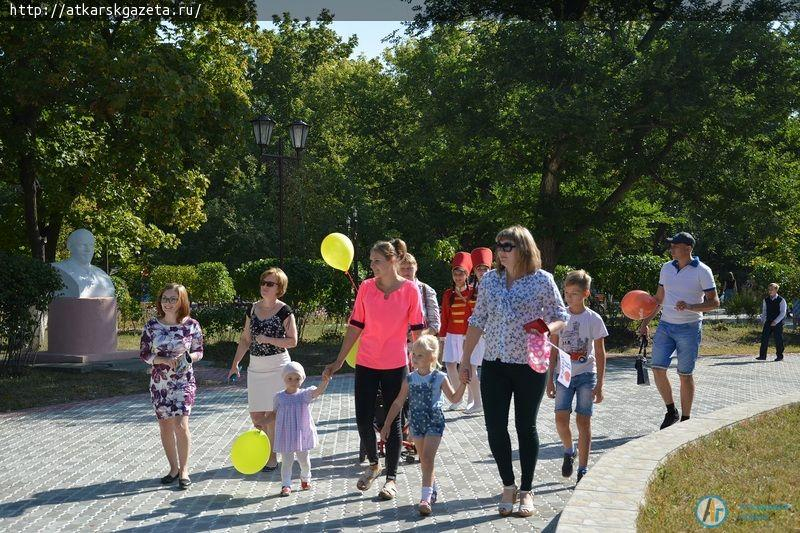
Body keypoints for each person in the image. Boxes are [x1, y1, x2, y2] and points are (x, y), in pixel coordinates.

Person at [459, 225, 568, 518]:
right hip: (494, 363)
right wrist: (466, 358)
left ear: (523, 249)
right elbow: (477, 319)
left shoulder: (542, 280)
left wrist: (547, 329)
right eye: (499, 245)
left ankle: (527, 490)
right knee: (494, 427)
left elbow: (561, 316)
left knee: (525, 426)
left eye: (507, 246)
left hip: (529, 365)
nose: (501, 251)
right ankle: (508, 485)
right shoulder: (490, 281)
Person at [322, 238, 424, 501]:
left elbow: (417, 332)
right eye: (370, 261)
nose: (372, 265)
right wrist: (338, 361)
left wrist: (421, 364)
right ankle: (373, 464)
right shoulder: (366, 288)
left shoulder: (410, 290)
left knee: (394, 421)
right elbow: (355, 326)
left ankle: (391, 478)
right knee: (362, 419)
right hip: (366, 362)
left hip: (396, 364)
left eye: (376, 261)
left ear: (393, 261)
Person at [638, 232, 719, 429]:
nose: (671, 249)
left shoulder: (702, 271)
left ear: (688, 248)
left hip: (690, 328)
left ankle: (686, 420)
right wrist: (645, 322)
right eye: (671, 246)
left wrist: (691, 306)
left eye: (675, 246)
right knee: (657, 368)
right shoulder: (666, 268)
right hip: (666, 326)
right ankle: (671, 411)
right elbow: (659, 299)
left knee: (684, 374)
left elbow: (714, 302)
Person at [380, 334, 466, 516]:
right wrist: (387, 424)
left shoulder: (440, 377)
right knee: (424, 461)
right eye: (413, 354)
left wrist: (464, 384)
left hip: (434, 421)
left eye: (420, 355)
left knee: (427, 458)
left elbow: (455, 398)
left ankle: (425, 498)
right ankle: (432, 489)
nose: (414, 358)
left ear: (432, 358)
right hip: (416, 423)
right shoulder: (410, 379)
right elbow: (398, 402)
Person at [228, 268, 298, 471]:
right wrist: (235, 364)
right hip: (256, 367)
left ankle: (271, 457)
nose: (264, 286)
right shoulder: (252, 309)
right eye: (263, 282)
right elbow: (244, 339)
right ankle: (267, 451)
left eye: (270, 284)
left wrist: (268, 339)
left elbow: (293, 341)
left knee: (272, 413)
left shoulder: (285, 311)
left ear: (279, 288)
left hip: (278, 366)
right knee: (257, 416)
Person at [139, 283, 204, 490]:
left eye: (173, 299)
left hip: (184, 381)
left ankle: (184, 471)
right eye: (165, 298)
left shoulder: (191, 324)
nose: (168, 303)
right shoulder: (152, 325)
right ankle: (173, 469)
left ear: (182, 301)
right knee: (166, 426)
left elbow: (199, 351)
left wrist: (188, 357)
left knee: (181, 425)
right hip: (160, 384)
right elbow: (144, 354)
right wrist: (160, 360)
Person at [546, 270, 608, 484]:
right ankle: (568, 450)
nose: (569, 297)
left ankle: (582, 468)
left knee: (583, 422)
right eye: (566, 293)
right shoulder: (560, 317)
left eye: (574, 293)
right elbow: (553, 349)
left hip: (586, 375)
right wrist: (549, 379)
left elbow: (600, 353)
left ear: (585, 294)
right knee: (561, 419)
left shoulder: (593, 319)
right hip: (563, 376)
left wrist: (599, 384)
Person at [264, 361, 330, 496]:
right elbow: (273, 414)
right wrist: (261, 422)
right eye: (290, 378)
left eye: (297, 378)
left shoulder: (304, 395)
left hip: (301, 434)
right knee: (286, 462)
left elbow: (318, 391)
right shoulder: (279, 397)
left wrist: (325, 381)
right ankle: (286, 485)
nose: (293, 381)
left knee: (304, 460)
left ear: (302, 379)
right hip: (286, 435)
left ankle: (305, 478)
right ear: (284, 379)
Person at [438, 252, 474, 411]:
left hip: (468, 334)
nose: (458, 277)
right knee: (450, 365)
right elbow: (444, 315)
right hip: (452, 334)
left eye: (461, 274)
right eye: (455, 274)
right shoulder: (448, 294)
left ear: (467, 275)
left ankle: (473, 399)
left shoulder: (473, 292)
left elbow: (474, 314)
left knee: (468, 367)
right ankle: (457, 396)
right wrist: (442, 336)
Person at [463, 247, 493, 415]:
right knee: (472, 366)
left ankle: (486, 400)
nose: (482, 271)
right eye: (478, 268)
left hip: (492, 334)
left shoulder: (497, 283)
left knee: (489, 369)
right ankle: (477, 401)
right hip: (476, 332)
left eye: (485, 268)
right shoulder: (472, 289)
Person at [51, 228, 116, 298]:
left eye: (91, 245)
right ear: (69, 246)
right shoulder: (57, 270)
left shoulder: (102, 275)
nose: (88, 250)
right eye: (83, 245)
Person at [399, 253, 441, 335]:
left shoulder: (427, 290)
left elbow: (435, 325)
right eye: (402, 268)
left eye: (409, 268)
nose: (406, 272)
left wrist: (418, 335)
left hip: (420, 345)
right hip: (396, 344)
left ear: (416, 268)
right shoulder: (392, 291)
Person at [756, 283, 786, 362]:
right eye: (769, 289)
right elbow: (764, 311)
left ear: (776, 290)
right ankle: (762, 356)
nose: (770, 291)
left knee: (778, 339)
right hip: (768, 321)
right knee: (764, 338)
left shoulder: (781, 300)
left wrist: (775, 321)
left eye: (772, 289)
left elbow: (783, 312)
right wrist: (762, 320)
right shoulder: (765, 300)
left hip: (778, 323)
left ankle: (780, 356)